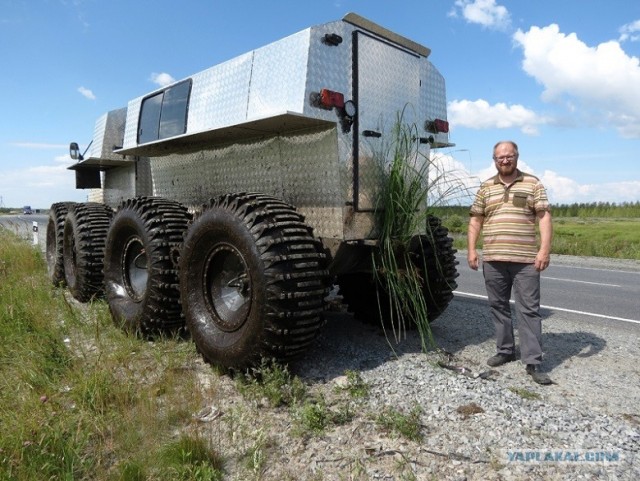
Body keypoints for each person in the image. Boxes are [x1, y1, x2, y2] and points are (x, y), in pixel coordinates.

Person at [467, 140, 553, 385]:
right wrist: (472, 249)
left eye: (509, 156)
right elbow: (475, 220)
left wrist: (544, 250)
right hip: (493, 259)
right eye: (499, 157)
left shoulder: (533, 183)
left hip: (525, 260)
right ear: (494, 160)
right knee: (498, 306)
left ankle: (533, 361)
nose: (505, 160)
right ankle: (505, 350)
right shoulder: (486, 187)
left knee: (528, 310)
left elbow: (544, 217)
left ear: (516, 156)